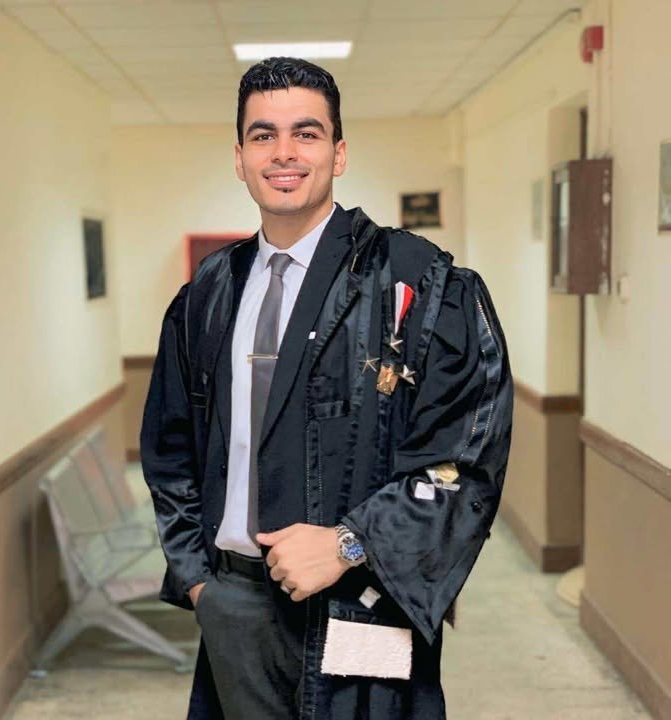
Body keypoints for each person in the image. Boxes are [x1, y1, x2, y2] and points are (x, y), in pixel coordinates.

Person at [140, 56, 513, 720]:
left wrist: (350, 542)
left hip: (362, 604)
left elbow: (466, 462)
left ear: (338, 153)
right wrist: (198, 580)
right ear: (240, 158)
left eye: (306, 133)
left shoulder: (419, 284)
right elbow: (170, 450)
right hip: (234, 606)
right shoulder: (209, 293)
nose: (283, 152)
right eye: (263, 135)